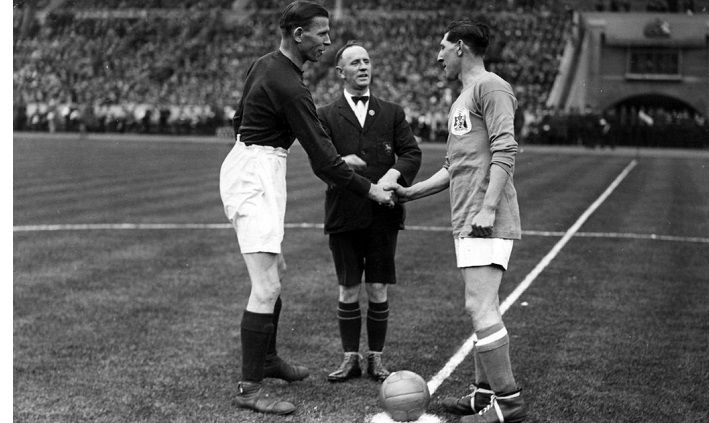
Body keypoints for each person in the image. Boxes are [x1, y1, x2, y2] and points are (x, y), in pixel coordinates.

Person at [218, 1, 395, 416]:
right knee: (266, 287)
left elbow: (242, 117)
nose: (328, 42)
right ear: (299, 35)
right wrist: (368, 190)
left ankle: (267, 358)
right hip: (256, 174)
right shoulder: (290, 84)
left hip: (256, 164)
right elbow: (322, 161)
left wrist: (318, 156)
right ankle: (249, 387)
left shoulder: (267, 65)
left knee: (275, 273)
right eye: (322, 34)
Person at [388, 19, 527, 423]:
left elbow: (506, 148)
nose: (438, 56)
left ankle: (508, 402)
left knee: (479, 305)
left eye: (443, 47)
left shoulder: (492, 87)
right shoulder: (463, 97)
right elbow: (455, 165)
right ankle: (484, 393)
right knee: (479, 305)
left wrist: (487, 208)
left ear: (461, 47)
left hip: (485, 216)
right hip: (466, 214)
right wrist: (413, 192)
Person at [317, 41, 422, 383]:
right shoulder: (326, 115)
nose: (363, 67)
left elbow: (410, 153)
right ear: (340, 72)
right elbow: (320, 162)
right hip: (344, 214)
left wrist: (394, 173)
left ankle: (376, 358)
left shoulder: (392, 112)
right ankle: (350, 358)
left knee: (377, 288)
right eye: (355, 62)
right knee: (348, 289)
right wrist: (338, 163)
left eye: (366, 61)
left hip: (383, 216)